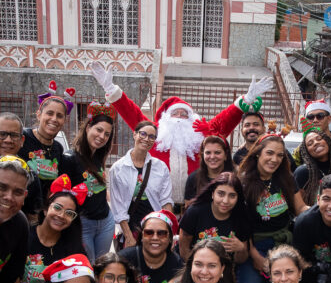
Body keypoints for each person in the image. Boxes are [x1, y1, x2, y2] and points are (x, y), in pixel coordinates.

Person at [91, 61, 273, 202]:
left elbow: (225, 120)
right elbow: (131, 112)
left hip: (195, 205)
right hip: (159, 205)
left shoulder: (201, 135)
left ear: (192, 119)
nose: (179, 117)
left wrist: (247, 98)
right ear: (165, 118)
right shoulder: (154, 135)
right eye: (175, 113)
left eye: (184, 114)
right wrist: (111, 89)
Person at [235, 133, 306, 283]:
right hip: (255, 245)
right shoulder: (243, 183)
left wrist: (319, 210)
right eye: (270, 153)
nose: (274, 159)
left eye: (280, 155)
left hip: (284, 244)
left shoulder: (286, 178)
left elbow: (300, 207)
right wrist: (255, 256)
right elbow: (241, 226)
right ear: (258, 153)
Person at [60, 103, 115, 260]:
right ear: (88, 127)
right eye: (99, 130)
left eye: (107, 134)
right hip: (83, 224)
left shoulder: (98, 157)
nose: (102, 136)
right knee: (87, 265)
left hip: (106, 221)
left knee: (101, 266)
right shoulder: (69, 159)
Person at [109, 120, 173, 248]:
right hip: (130, 227)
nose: (146, 139)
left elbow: (166, 201)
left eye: (151, 137)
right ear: (135, 135)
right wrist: (128, 236)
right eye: (143, 134)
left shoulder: (160, 167)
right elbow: (118, 207)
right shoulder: (118, 168)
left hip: (155, 227)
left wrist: (169, 232)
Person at [21, 176, 87, 283]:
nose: (61, 215)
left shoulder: (74, 248)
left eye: (69, 213)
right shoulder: (24, 237)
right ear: (46, 209)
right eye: (57, 208)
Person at [178, 172, 251, 263]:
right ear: (213, 194)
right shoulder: (195, 211)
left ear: (238, 198)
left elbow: (240, 261)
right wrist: (195, 268)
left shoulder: (241, 215)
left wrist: (241, 248)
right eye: (221, 194)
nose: (225, 201)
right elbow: (183, 249)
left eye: (232, 196)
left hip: (225, 269)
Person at [22, 82, 72, 215]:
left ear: (64, 120)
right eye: (50, 113)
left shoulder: (58, 148)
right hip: (20, 213)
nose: (54, 119)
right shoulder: (23, 139)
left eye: (59, 116)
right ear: (39, 114)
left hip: (45, 216)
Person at [294, 121, 331, 206]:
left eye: (319, 139)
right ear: (307, 151)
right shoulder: (302, 173)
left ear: (327, 141)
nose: (316, 143)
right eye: (310, 143)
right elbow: (299, 207)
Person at [183, 135, 234, 206]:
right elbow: (188, 207)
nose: (212, 157)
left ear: (226, 155)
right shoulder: (193, 178)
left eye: (217, 152)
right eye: (208, 153)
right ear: (202, 155)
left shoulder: (234, 178)